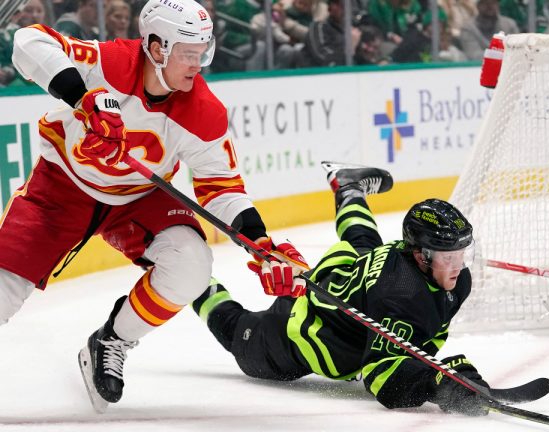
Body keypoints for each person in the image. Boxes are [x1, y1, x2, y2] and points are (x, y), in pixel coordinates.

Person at [7, 0, 307, 411]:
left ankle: (111, 340)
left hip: (138, 200)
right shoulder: (110, 63)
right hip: (62, 189)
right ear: (155, 46)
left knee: (192, 262)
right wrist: (83, 98)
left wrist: (259, 242)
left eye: (202, 52)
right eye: (188, 53)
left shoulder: (203, 111)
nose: (197, 63)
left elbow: (221, 187)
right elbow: (28, 40)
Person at [192, 162, 490, 415]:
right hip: (299, 330)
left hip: (343, 280)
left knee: (364, 242)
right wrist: (434, 383)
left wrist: (433, 370)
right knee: (236, 333)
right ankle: (189, 277)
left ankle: (347, 186)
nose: (457, 266)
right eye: (447, 257)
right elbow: (379, 376)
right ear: (420, 256)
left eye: (461, 254)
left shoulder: (441, 274)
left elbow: (427, 330)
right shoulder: (398, 294)